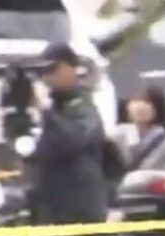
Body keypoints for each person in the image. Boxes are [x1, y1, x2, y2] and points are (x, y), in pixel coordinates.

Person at [31, 42, 108, 225]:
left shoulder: (83, 104)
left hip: (80, 208)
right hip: (54, 206)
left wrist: (44, 111)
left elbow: (74, 139)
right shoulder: (55, 107)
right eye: (44, 72)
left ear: (70, 68)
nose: (48, 76)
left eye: (53, 69)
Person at [113, 85, 165, 172]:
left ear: (156, 109)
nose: (138, 106)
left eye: (146, 101)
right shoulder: (120, 133)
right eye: (135, 101)